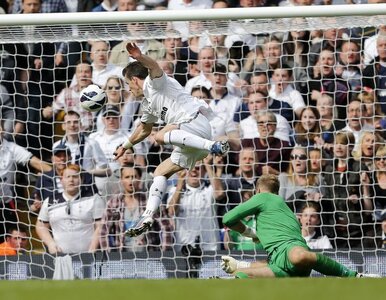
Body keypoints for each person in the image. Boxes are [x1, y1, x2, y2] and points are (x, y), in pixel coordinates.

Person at [114, 43, 229, 237]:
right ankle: (148, 215)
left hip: (195, 123)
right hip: (193, 142)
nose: (128, 88)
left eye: (127, 83)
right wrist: (125, 147)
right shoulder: (148, 103)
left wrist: (140, 56)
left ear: (134, 80)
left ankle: (214, 146)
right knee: (160, 172)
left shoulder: (155, 83)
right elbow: (143, 129)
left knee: (159, 136)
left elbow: (155, 67)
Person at [220, 174, 379, 278]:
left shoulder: (263, 197)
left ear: (259, 190)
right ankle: (236, 269)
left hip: (290, 252)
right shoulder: (280, 211)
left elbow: (227, 218)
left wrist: (248, 232)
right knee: (242, 275)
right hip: (284, 265)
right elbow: (273, 249)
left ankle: (355, 277)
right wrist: (253, 238)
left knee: (299, 255)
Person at [99, 164, 172, 252]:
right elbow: (103, 231)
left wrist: (164, 252)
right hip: (122, 257)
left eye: (134, 176)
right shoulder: (113, 203)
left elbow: (166, 227)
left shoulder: (151, 201)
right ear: (121, 179)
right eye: (127, 177)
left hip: (149, 255)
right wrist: (109, 255)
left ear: (140, 178)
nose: (131, 180)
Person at [36, 164, 104, 254]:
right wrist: (50, 244)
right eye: (67, 177)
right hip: (60, 258)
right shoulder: (50, 201)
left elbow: (101, 226)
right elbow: (41, 226)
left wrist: (93, 249)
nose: (71, 180)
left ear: (82, 179)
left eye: (75, 177)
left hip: (88, 257)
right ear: (61, 180)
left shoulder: (93, 199)